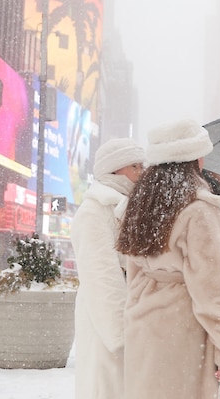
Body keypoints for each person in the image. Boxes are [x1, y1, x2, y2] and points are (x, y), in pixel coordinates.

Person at [116, 119, 220, 399]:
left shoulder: (140, 205)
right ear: (193, 157)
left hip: (144, 326)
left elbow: (134, 272)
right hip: (183, 330)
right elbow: (213, 290)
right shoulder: (199, 209)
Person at [70, 137, 145, 399]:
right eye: (134, 166)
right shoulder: (95, 211)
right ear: (115, 169)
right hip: (106, 317)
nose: (141, 172)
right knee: (104, 385)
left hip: (128, 310)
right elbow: (101, 275)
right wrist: (120, 334)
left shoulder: (127, 207)